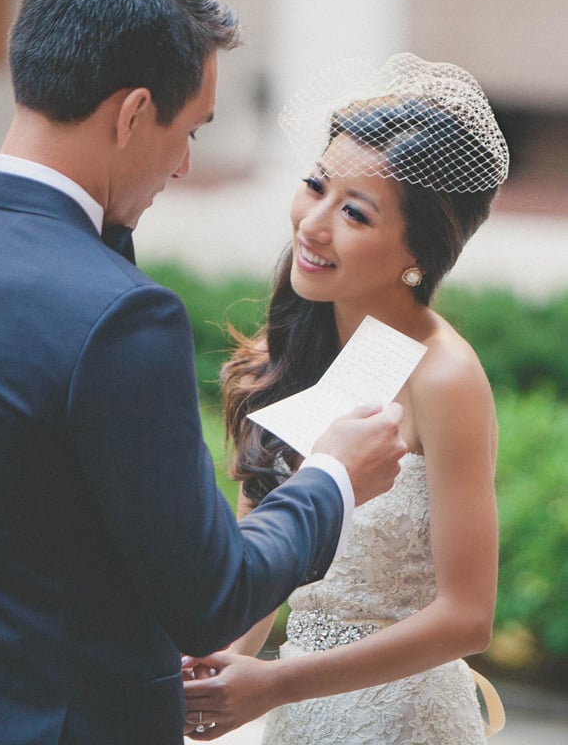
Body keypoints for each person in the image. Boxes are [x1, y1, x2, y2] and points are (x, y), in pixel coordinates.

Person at [0, 0, 407, 745]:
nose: (181, 165)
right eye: (192, 129)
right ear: (134, 112)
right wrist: (336, 477)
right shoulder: (121, 317)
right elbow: (210, 593)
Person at [182, 53, 509, 743]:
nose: (313, 223)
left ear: (416, 251)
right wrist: (220, 668)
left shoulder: (441, 376)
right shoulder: (291, 350)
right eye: (314, 186)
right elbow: (260, 555)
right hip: (298, 720)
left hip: (405, 722)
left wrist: (275, 682)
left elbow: (468, 615)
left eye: (354, 213)